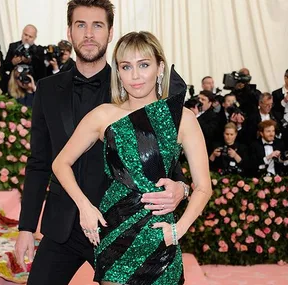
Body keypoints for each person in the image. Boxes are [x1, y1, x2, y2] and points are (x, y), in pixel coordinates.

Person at [14, 1, 189, 285]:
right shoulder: (47, 90)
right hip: (64, 226)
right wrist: (26, 227)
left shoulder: (133, 83)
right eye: (81, 25)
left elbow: (160, 153)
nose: (89, 34)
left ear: (110, 33)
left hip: (121, 223)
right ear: (69, 31)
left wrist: (182, 188)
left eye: (98, 25)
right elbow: (39, 162)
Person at [53, 31, 212, 284]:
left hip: (161, 237)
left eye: (144, 65)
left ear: (160, 67)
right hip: (116, 235)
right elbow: (60, 163)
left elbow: (204, 187)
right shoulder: (103, 115)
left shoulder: (183, 118)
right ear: (118, 72)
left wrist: (178, 230)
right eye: (126, 67)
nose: (135, 75)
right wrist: (85, 206)